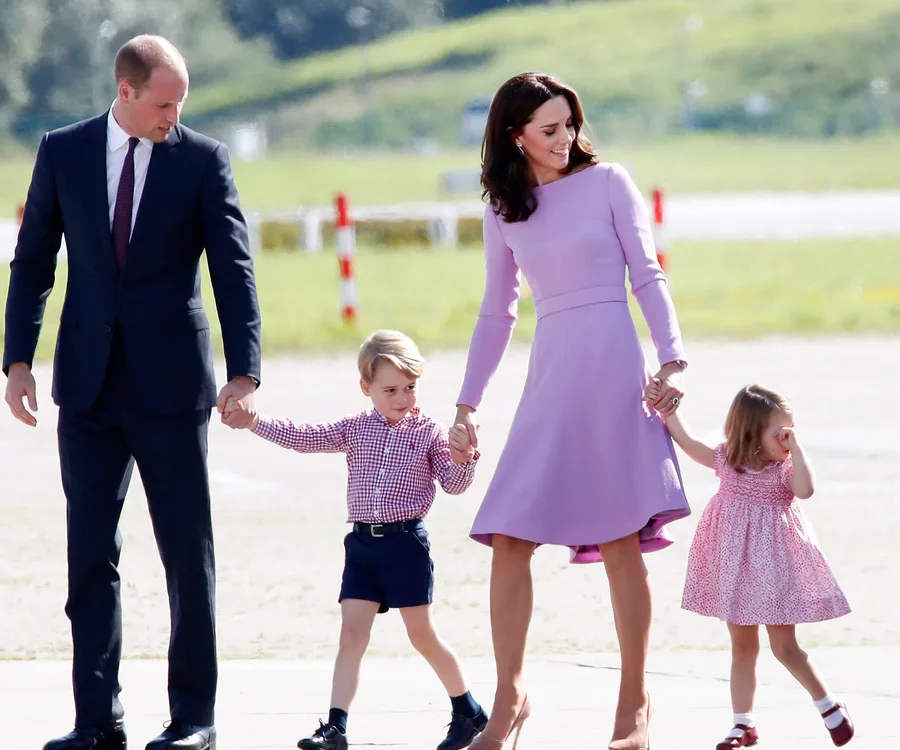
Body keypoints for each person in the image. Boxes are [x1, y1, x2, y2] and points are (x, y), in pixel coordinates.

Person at [2, 35, 261, 750]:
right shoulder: (64, 151)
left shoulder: (203, 159)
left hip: (174, 388)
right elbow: (33, 261)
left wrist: (245, 373)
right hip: (86, 387)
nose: (174, 116)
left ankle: (194, 721)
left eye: (182, 103)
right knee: (89, 556)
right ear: (125, 91)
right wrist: (17, 362)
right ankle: (96, 721)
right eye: (163, 102)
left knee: (186, 553)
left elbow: (233, 267)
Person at [452, 72, 691, 750]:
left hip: (615, 369)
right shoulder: (504, 207)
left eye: (570, 125)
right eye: (550, 129)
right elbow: (496, 312)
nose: (566, 140)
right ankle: (510, 699)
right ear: (514, 134)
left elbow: (647, 273)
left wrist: (672, 359)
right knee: (508, 537)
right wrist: (467, 404)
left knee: (619, 536)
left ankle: (634, 703)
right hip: (551, 374)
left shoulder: (610, 181)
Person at [224, 330, 488, 750]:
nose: (403, 397)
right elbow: (304, 437)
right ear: (366, 388)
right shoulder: (355, 429)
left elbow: (454, 485)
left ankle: (469, 710)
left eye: (410, 388)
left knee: (422, 635)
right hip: (363, 547)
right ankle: (336, 728)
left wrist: (462, 457)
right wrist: (254, 421)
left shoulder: (429, 433)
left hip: (406, 545)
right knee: (352, 635)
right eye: (390, 389)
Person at [650, 383, 854, 749]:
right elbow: (686, 439)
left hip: (775, 567)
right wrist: (670, 406)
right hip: (735, 566)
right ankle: (743, 724)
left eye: (790, 430)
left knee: (784, 646)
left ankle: (828, 704)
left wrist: (797, 448)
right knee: (742, 646)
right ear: (751, 431)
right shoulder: (728, 460)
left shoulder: (784, 469)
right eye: (779, 431)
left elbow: (805, 489)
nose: (786, 437)